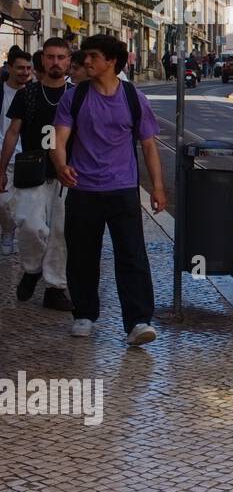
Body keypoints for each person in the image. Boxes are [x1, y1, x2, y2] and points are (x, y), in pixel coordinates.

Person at [53, 35, 166, 346]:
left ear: (112, 61)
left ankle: (138, 321)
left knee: (132, 255)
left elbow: (148, 146)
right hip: (83, 188)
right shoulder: (73, 97)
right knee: (82, 255)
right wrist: (61, 165)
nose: (85, 62)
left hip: (123, 189)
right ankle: (84, 315)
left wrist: (157, 187)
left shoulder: (133, 98)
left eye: (92, 56)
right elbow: (58, 139)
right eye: (85, 57)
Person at [0, 38, 74, 311]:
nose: (55, 62)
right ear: (42, 60)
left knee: (61, 232)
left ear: (68, 61)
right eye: (51, 57)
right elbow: (12, 132)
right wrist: (1, 168)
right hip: (32, 171)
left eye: (61, 57)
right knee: (29, 225)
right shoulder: (28, 94)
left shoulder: (76, 94)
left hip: (66, 173)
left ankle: (55, 287)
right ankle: (32, 269)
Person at [0, 50, 32, 255]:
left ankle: (26, 238)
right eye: (20, 68)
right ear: (9, 67)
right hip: (3, 156)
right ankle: (8, 230)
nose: (25, 72)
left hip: (28, 158)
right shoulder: (1, 91)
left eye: (29, 68)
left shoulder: (33, 93)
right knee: (3, 203)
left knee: (29, 207)